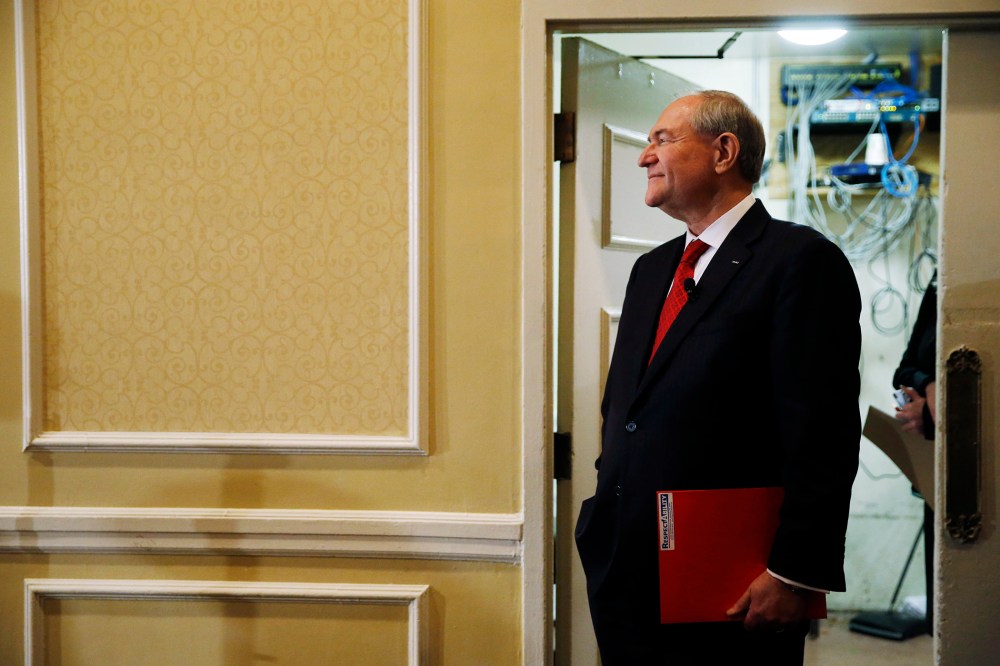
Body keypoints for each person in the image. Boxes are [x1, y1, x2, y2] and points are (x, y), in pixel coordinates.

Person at [574, 90, 862, 664]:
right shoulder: (650, 269)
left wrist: (795, 572)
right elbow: (626, 409)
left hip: (734, 586)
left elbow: (823, 434)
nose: (643, 156)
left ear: (724, 150)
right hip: (626, 570)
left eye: (662, 139)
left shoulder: (798, 260)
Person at [893, 270, 937, 634]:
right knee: (939, 608)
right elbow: (904, 369)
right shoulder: (943, 280)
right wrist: (931, 384)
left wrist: (934, 407)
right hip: (934, 467)